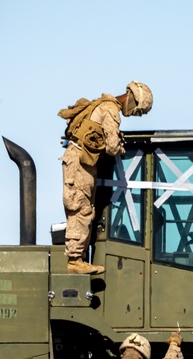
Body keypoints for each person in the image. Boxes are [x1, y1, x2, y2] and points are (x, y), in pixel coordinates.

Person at [57, 81, 153, 274]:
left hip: (82, 163)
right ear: (133, 99)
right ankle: (75, 261)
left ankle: (78, 259)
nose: (135, 114)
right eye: (138, 111)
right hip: (80, 164)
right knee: (81, 209)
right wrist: (122, 148)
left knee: (85, 209)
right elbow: (112, 147)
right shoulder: (110, 109)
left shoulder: (103, 105)